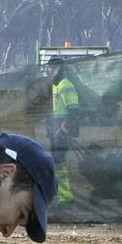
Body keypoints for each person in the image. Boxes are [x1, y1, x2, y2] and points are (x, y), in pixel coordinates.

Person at [46, 56, 78, 203]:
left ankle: (65, 198)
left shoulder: (66, 85)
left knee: (59, 163)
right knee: (57, 163)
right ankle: (61, 195)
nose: (48, 70)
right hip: (56, 130)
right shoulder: (56, 85)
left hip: (62, 131)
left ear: (57, 69)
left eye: (50, 67)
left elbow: (73, 111)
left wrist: (63, 128)